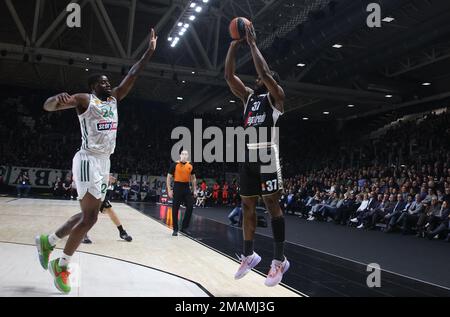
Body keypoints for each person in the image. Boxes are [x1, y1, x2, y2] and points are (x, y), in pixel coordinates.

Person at [35, 28, 158, 294]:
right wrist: (55, 101)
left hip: (104, 162)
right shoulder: (84, 100)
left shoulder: (114, 99)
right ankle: (62, 264)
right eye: (102, 82)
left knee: (86, 215)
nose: (107, 84)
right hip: (88, 159)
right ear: (93, 87)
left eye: (107, 82)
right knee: (90, 218)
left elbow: (133, 74)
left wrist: (149, 51)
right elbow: (47, 106)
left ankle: (49, 240)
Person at [225, 24, 288, 287]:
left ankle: (279, 261)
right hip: (248, 156)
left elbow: (263, 70)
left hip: (267, 155)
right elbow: (229, 76)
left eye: (264, 77)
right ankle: (249, 255)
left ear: (271, 81)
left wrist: (251, 43)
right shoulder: (249, 98)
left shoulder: (277, 97)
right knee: (247, 206)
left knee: (272, 206)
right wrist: (233, 45)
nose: (259, 78)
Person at [166, 150, 197, 236]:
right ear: (180, 155)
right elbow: (169, 177)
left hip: (186, 187)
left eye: (186, 154)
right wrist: (169, 189)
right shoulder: (174, 165)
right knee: (175, 208)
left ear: (187, 156)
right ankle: (175, 229)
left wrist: (195, 190)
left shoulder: (190, 165)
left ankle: (184, 228)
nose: (184, 155)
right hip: (177, 187)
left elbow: (193, 178)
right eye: (182, 154)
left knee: (190, 206)